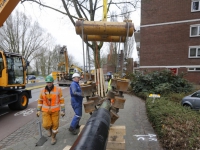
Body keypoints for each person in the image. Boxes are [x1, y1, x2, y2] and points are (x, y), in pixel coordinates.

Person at [36, 75, 65, 145]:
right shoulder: (42, 90)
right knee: (46, 125)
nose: (49, 83)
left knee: (55, 126)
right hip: (45, 111)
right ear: (46, 83)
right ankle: (48, 129)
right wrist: (38, 110)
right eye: (47, 82)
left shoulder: (58, 89)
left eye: (50, 82)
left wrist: (63, 110)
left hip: (55, 111)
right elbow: (40, 101)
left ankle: (53, 137)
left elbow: (62, 100)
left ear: (53, 82)